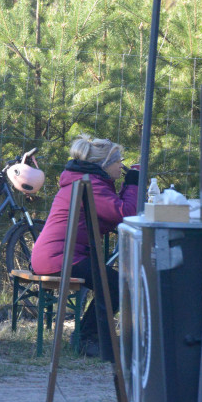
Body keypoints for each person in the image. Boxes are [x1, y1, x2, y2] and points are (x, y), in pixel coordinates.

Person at [29, 134, 138, 357]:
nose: (122, 166)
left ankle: (89, 335)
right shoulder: (90, 184)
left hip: (58, 254)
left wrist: (129, 185)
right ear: (105, 165)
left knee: (112, 281)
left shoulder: (88, 181)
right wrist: (134, 181)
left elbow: (114, 212)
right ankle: (86, 338)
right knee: (116, 284)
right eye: (119, 161)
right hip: (60, 256)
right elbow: (126, 213)